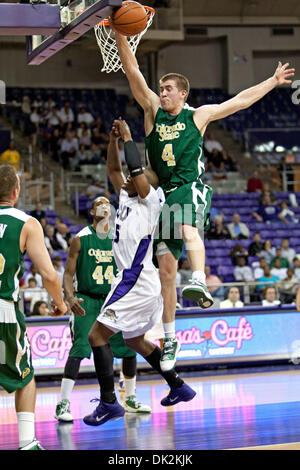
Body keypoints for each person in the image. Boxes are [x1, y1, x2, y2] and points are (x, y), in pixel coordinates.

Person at [114, 30, 294, 369]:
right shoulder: (152, 111)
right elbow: (132, 71)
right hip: (164, 193)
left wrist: (271, 82)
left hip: (190, 186)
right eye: (161, 88)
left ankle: (198, 277)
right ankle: (170, 339)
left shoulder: (197, 115)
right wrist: (120, 36)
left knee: (185, 226)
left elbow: (238, 101)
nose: (162, 92)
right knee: (166, 271)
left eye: (168, 89)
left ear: (183, 94)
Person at [83, 118, 196, 427]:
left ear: (146, 181)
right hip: (135, 280)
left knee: (96, 334)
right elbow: (115, 171)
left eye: (137, 176)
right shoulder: (126, 194)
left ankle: (109, 403)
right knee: (135, 341)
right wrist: (112, 142)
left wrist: (131, 138)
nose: (128, 179)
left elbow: (134, 170)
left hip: (137, 279)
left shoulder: (151, 200)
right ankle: (178, 385)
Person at [55, 189, 151, 423]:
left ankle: (129, 397)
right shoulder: (80, 238)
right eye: (99, 203)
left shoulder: (119, 238)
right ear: (91, 212)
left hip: (113, 300)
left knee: (129, 347)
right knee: (79, 348)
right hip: (86, 299)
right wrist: (69, 296)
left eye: (108, 203)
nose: (104, 205)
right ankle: (63, 403)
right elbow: (68, 273)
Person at [0, 164, 68, 450]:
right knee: (25, 376)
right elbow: (50, 275)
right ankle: (27, 442)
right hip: (4, 309)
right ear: (16, 192)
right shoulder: (26, 223)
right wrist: (60, 303)